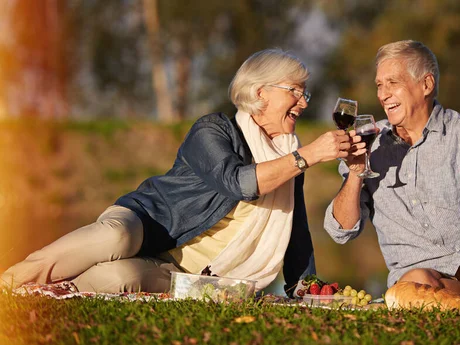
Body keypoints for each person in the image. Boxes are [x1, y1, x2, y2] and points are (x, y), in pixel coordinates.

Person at [1, 48, 358, 296]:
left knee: (118, 277)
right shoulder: (213, 130)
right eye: (295, 90)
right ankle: (10, 284)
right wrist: (308, 155)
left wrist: (305, 287)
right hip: (147, 224)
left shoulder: (288, 157)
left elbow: (293, 228)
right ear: (261, 92)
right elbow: (239, 183)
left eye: (305, 91)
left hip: (188, 274)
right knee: (115, 240)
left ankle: (53, 292)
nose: (305, 101)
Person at [324, 40, 460, 301]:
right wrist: (355, 173)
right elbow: (341, 230)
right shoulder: (372, 143)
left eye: (393, 83)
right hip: (429, 276)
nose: (382, 95)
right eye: (379, 85)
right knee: (417, 283)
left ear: (426, 85)